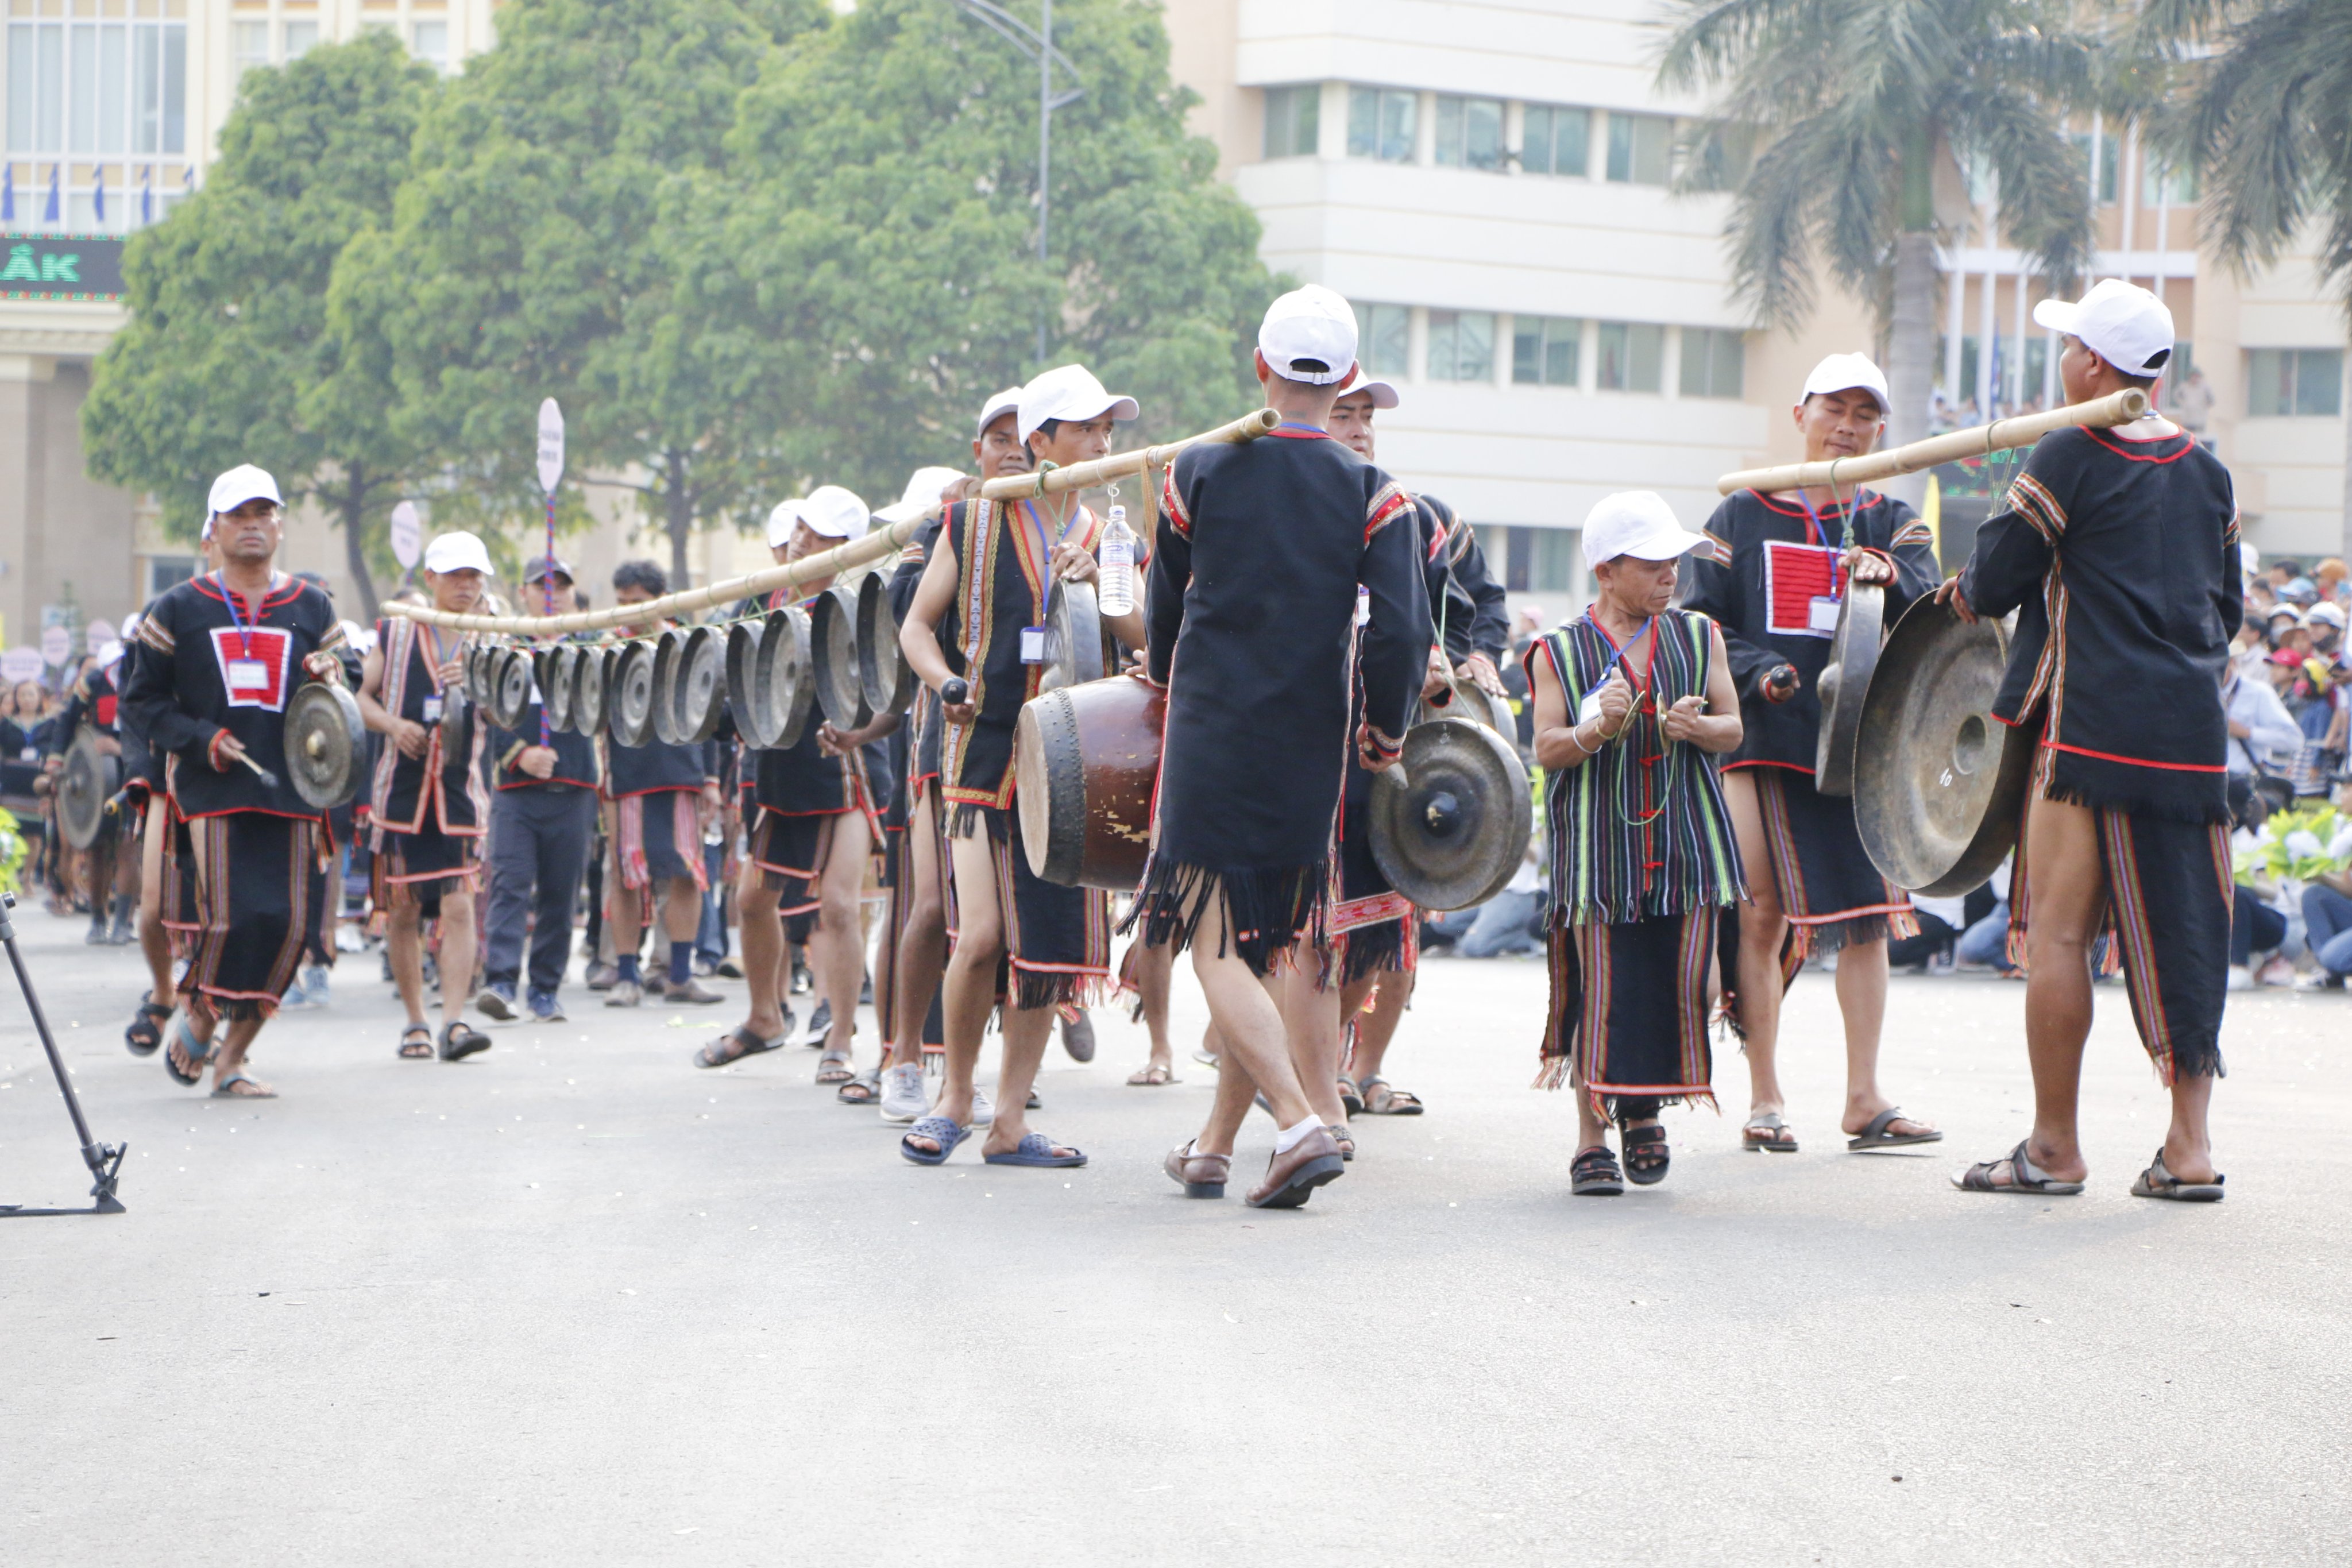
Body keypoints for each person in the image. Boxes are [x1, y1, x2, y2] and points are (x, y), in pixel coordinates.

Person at [1940, 278, 2240, 1202]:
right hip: (2189, 739)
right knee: (2191, 933)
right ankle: (2186, 1148)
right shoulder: (2205, 469)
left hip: (2089, 730)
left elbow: (1992, 580)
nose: (2060, 359)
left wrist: (1969, 572)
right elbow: (2223, 610)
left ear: (2093, 364)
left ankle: (2053, 1148)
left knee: (2058, 936)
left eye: (2068, 346)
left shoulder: (2067, 449)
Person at [1133, 284, 1430, 1208]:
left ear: (1258, 367)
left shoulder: (1198, 470)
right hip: (1313, 736)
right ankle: (1215, 1147)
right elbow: (1399, 635)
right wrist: (1384, 728)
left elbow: (1166, 605)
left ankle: (1300, 1123)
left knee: (1209, 935)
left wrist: (1161, 675)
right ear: (1344, 378)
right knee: (1265, 943)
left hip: (1214, 728)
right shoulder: (1375, 495)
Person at [1682, 352, 1942, 1156]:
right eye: (1833, 408)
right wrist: (1761, 674)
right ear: (1799, 414)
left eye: (1864, 414)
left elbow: (1937, 616)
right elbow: (1699, 625)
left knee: (1868, 923)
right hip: (1764, 744)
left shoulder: (1892, 521)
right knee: (1757, 915)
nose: (1847, 426)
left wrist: (1889, 577)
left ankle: (1863, 1097)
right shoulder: (1737, 515)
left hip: (1861, 754)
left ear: (1879, 429)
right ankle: (1764, 1095)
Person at [894, 365, 1148, 1169]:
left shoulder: (1107, 533)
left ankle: (1009, 1120)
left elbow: (1141, 637)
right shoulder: (970, 521)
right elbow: (916, 631)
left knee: (1045, 948)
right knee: (982, 936)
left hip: (1074, 762)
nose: (1102, 443)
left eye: (1108, 429)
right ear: (1042, 442)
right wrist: (947, 684)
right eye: (1084, 429)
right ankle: (953, 1099)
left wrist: (1107, 592)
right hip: (983, 747)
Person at [1525, 493, 1745, 1194]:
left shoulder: (1700, 636)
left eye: (1673, 561)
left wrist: (1698, 730)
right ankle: (1592, 1137)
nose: (1670, 574)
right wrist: (1594, 731)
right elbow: (1547, 749)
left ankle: (1643, 1112)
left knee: (1673, 981)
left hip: (1686, 844)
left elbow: (1734, 728)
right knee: (1600, 989)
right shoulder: (1556, 652)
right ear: (1607, 570)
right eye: (1652, 563)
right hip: (1597, 854)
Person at [119, 465, 349, 1098]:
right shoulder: (178, 607)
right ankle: (198, 1014)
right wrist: (200, 740)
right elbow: (141, 703)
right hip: (211, 790)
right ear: (213, 531)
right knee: (231, 919)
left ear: (280, 526)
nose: (252, 526)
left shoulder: (311, 605)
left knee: (291, 927)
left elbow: (346, 681)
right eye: (238, 516)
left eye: (263, 514)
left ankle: (232, 1055)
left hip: (296, 789)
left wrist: (335, 672)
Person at [698, 488, 893, 1079]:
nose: (806, 541)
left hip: (845, 764)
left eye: (823, 535)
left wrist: (853, 729)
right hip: (776, 767)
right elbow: (719, 677)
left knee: (837, 905)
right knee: (752, 900)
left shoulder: (863, 604)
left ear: (846, 549)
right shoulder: (761, 599)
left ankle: (839, 1036)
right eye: (803, 528)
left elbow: (885, 688)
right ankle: (764, 1018)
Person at [873, 423, 1026, 1122]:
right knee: (935, 910)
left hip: (1035, 748)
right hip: (948, 741)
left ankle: (991, 1077)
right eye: (1001, 438)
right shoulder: (955, 526)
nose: (1015, 450)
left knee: (1011, 919)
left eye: (1027, 437)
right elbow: (908, 628)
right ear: (979, 453)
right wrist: (937, 532)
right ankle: (904, 1055)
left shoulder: (1070, 527)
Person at [357, 531, 496, 1062]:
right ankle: (415, 1021)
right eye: (456, 574)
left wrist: (481, 681)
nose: (467, 584)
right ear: (431, 579)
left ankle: (454, 1022)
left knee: (460, 904)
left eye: (475, 575)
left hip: (461, 792)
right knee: (402, 908)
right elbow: (360, 699)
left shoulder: (492, 639)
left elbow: (510, 713)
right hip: (401, 793)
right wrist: (394, 726)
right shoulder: (393, 634)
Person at [475, 556, 602, 1023]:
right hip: (515, 791)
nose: (553, 593)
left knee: (560, 894)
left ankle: (546, 989)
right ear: (523, 593)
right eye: (541, 585)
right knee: (509, 885)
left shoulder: (592, 646)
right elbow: (485, 712)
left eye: (562, 585)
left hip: (575, 788)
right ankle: (501, 982)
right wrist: (518, 754)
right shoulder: (502, 650)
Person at [599, 560, 726, 1011]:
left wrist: (711, 778)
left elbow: (707, 710)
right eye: (622, 602)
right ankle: (627, 975)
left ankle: (679, 974)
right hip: (625, 773)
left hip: (681, 770)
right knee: (627, 873)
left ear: (659, 600)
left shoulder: (686, 644)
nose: (629, 610)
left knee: (686, 872)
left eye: (638, 602)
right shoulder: (606, 648)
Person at [45, 637, 135, 945]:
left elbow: (154, 731)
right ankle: (98, 919)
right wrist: (56, 761)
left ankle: (122, 922)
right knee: (96, 848)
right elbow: (67, 721)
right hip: (95, 777)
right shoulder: (94, 682)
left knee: (128, 845)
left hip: (135, 772)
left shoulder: (149, 680)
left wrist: (119, 749)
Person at [2170, 365, 2215, 442]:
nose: (2195, 378)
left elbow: (2212, 400)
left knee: (2198, 441)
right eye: (2193, 376)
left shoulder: (2205, 388)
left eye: (2197, 376)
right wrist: (2183, 403)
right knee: (2187, 440)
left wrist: (2204, 406)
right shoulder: (2185, 386)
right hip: (2187, 420)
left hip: (2199, 421)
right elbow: (2176, 395)